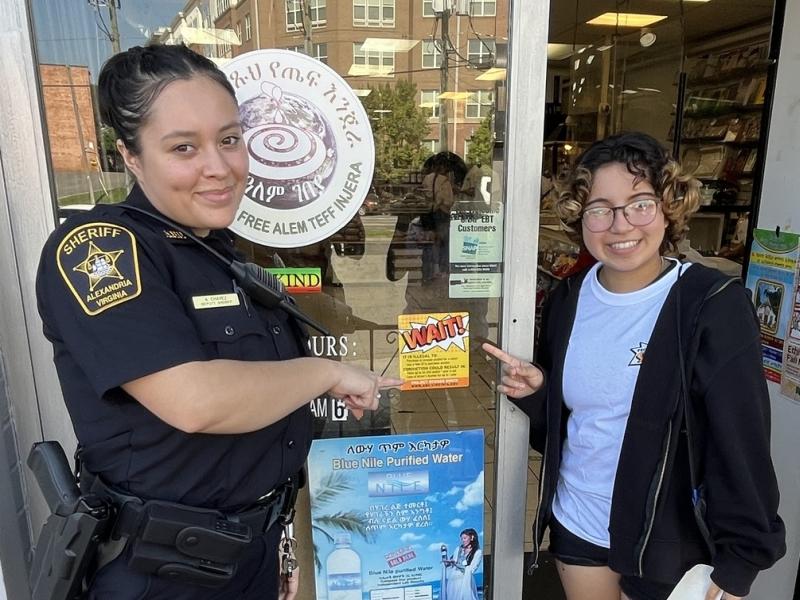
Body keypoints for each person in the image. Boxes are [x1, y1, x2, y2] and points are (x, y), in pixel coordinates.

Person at [35, 44, 401, 600]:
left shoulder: (217, 252)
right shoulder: (104, 248)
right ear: (130, 156)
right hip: (162, 574)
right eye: (184, 147)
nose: (220, 166)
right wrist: (325, 373)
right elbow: (196, 400)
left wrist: (276, 539)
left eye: (230, 140)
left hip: (246, 553)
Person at [482, 132, 785, 600]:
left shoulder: (711, 304)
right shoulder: (568, 297)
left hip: (669, 544)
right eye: (600, 209)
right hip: (578, 525)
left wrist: (741, 560)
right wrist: (541, 392)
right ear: (581, 218)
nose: (620, 225)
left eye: (640, 204)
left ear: (669, 208)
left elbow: (740, 440)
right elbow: (575, 427)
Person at [441, 528, 481, 600]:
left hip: (465, 582)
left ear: (472, 537)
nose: (463, 540)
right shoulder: (458, 549)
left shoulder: (478, 552)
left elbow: (472, 569)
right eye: (461, 539)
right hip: (453, 581)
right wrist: (445, 557)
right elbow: (451, 564)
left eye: (464, 538)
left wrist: (456, 563)